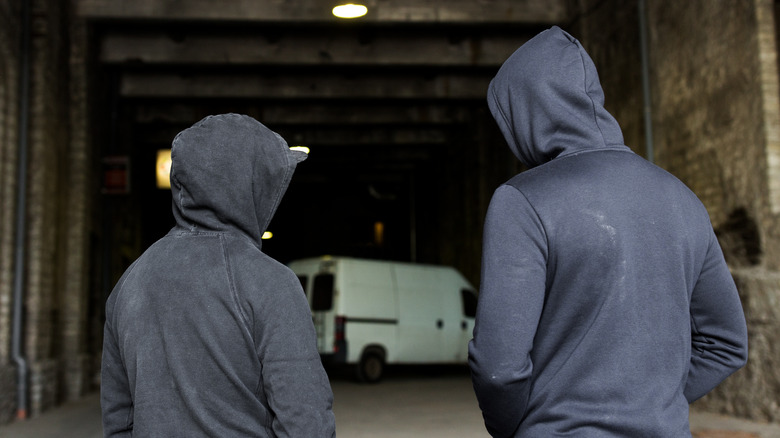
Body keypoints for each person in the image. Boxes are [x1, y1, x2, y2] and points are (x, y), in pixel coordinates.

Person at [468, 26, 748, 437]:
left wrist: (521, 427)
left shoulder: (522, 201)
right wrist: (649, 404)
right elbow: (728, 342)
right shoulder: (683, 197)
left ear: (527, 114)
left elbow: (498, 369)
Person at [101, 114, 336, 437]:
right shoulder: (271, 283)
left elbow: (118, 422)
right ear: (252, 186)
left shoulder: (129, 283)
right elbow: (306, 423)